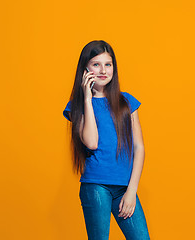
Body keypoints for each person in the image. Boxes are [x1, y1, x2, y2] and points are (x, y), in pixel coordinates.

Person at [62, 40, 150, 240]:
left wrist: (132, 191)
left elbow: (139, 147)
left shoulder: (127, 102)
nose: (103, 70)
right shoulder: (77, 106)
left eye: (108, 64)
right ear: (85, 69)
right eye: (96, 64)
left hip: (125, 187)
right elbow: (91, 142)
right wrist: (87, 99)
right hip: (96, 186)